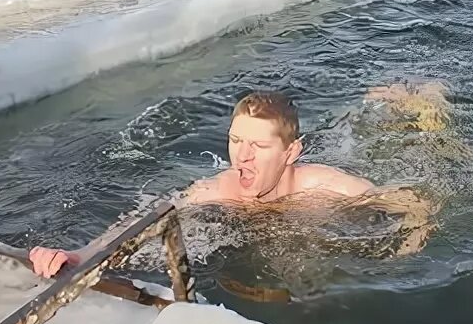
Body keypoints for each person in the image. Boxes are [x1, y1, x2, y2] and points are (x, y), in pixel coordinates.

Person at [29, 90, 436, 278]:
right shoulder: (216, 191)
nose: (241, 156)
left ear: (291, 152)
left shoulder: (323, 185)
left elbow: (413, 201)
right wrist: (82, 255)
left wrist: (413, 237)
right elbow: (143, 222)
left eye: (258, 146)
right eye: (235, 141)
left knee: (388, 133)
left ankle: (420, 101)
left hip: (326, 176)